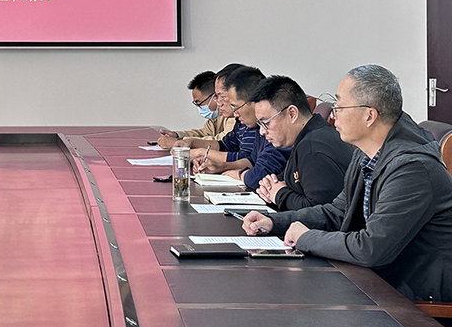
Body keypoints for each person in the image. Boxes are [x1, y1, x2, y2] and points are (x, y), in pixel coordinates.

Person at [243, 65, 452, 303]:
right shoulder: (367, 152)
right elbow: (338, 212)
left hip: (417, 298)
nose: (333, 115)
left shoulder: (412, 168)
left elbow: (370, 249)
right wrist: (275, 222)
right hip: (382, 280)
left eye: (340, 107)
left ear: (369, 116)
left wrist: (305, 237)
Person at [250, 75, 353, 210]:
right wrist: (268, 186)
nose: (262, 132)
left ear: (292, 114)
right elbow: (284, 181)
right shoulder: (308, 136)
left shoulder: (313, 149)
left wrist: (279, 194)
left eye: (265, 123)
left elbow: (319, 212)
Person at [173, 63, 256, 167]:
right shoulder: (240, 121)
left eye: (221, 96)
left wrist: (201, 153)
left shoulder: (254, 122)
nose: (218, 102)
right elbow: (224, 145)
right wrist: (191, 142)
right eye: (216, 96)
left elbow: (247, 159)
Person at [157, 70, 235, 149]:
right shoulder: (216, 116)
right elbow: (205, 133)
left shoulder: (233, 114)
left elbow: (223, 142)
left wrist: (180, 141)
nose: (220, 101)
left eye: (199, 103)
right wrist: (177, 135)